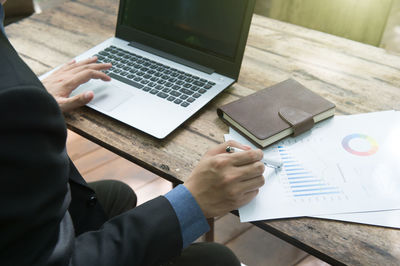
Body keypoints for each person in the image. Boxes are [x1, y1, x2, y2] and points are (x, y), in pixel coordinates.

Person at [0, 1, 265, 265]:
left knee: (117, 194)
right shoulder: (14, 98)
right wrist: (193, 202)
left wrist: (37, 96)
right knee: (218, 258)